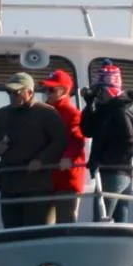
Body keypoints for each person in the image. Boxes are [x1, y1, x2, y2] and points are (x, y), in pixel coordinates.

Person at [0, 72, 67, 227]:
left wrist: (41, 159)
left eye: (16, 92)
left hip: (37, 185)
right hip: (9, 184)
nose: (11, 96)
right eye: (9, 92)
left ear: (30, 92)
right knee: (11, 234)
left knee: (38, 235)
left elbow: (60, 141)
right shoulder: (2, 114)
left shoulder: (47, 113)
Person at [82, 61, 133, 222]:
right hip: (115, 172)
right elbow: (87, 130)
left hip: (114, 174)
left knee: (102, 220)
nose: (96, 93)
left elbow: (130, 144)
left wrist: (104, 160)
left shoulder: (119, 112)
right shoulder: (105, 111)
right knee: (118, 221)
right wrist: (89, 106)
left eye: (99, 89)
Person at [40, 69, 89, 223]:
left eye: (52, 89)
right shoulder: (43, 112)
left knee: (66, 223)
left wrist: (67, 157)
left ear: (64, 91)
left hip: (67, 180)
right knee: (43, 226)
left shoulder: (73, 114)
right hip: (46, 180)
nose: (48, 93)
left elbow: (77, 140)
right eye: (46, 89)